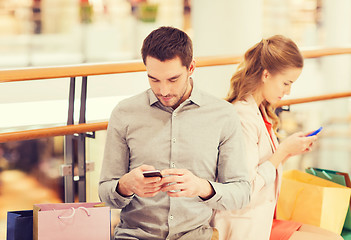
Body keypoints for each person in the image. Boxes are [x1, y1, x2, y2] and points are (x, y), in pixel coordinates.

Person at [99, 26, 251, 240]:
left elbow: (242, 193)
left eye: (172, 79)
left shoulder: (223, 115)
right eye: (154, 79)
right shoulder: (124, 113)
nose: (164, 91)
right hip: (135, 235)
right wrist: (125, 185)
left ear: (191, 68)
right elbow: (105, 193)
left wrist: (201, 187)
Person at [211, 35, 343, 240]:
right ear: (265, 75)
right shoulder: (242, 117)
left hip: (263, 217)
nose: (288, 91)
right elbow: (246, 188)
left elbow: (263, 166)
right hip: (245, 224)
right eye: (286, 83)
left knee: (335, 236)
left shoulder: (260, 110)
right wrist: (283, 150)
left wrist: (288, 152)